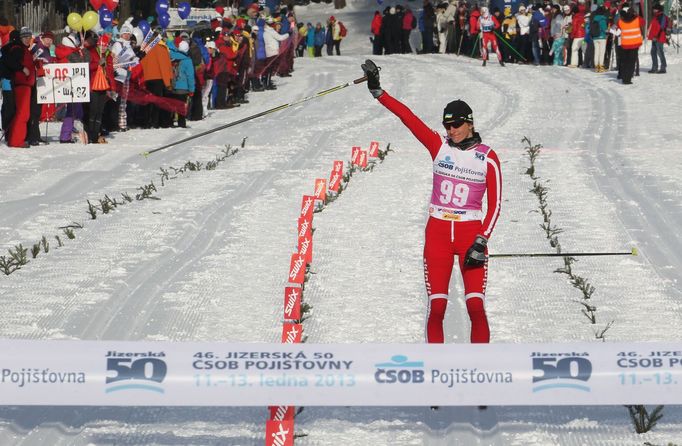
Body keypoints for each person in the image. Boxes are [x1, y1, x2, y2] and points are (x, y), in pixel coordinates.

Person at [360, 59, 502, 344]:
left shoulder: (487, 157)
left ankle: (482, 371)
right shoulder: (438, 147)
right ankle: (435, 372)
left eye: (457, 124)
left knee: (475, 306)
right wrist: (378, 91)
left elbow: (496, 205)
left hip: (469, 236)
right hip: (437, 233)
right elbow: (409, 118)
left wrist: (481, 240)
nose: (452, 130)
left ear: (470, 122)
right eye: (447, 125)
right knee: (437, 307)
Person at [647, 3, 668, 74]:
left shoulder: (662, 16)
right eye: (654, 9)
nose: (654, 10)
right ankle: (654, 67)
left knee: (660, 52)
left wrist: (656, 36)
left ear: (658, 10)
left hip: (659, 37)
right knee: (653, 52)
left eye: (655, 9)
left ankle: (663, 67)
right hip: (655, 37)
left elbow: (662, 27)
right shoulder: (655, 16)